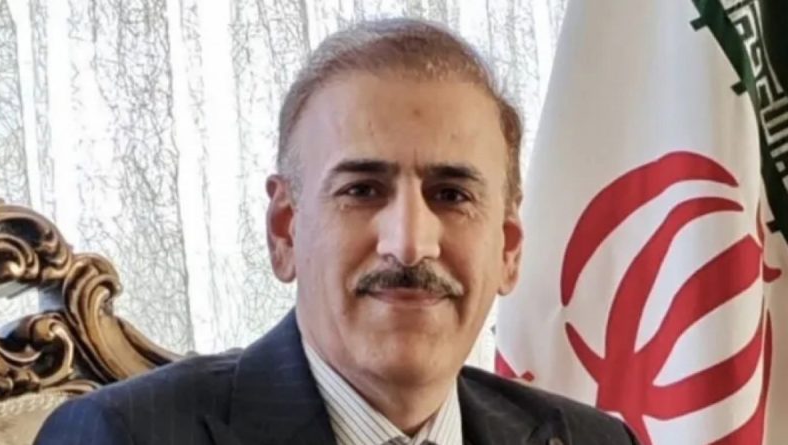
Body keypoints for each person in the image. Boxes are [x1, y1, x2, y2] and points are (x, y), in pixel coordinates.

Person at [34, 18, 639, 445]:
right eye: (362, 190)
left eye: (451, 195)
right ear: (285, 230)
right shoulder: (122, 436)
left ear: (508, 249)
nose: (410, 244)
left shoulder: (593, 440)